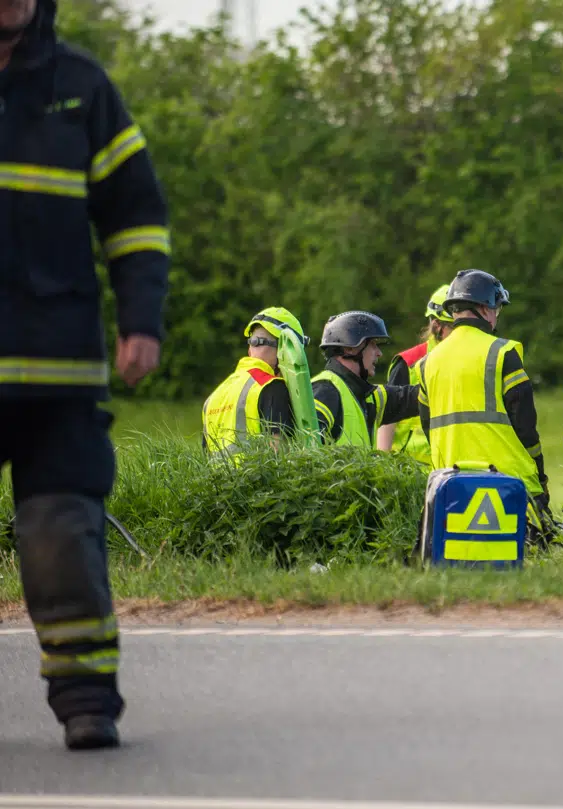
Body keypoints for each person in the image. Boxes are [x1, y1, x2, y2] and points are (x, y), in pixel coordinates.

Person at [0, 0, 170, 750]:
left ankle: (85, 698)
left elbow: (135, 213)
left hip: (57, 369)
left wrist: (141, 319)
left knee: (61, 533)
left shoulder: (81, 88)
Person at [418, 270, 552, 531]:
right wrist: (540, 477)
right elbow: (526, 426)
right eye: (497, 309)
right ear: (484, 308)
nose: (496, 317)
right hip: (509, 484)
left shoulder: (426, 364)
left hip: (449, 486)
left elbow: (427, 425)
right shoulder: (503, 353)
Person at [201, 308, 306, 453]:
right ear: (284, 349)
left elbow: (206, 458)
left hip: (216, 476)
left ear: (250, 349)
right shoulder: (272, 387)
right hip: (258, 476)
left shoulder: (213, 396)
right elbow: (279, 456)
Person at [311, 311, 421, 449]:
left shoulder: (365, 394)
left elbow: (413, 397)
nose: (379, 353)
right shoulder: (326, 390)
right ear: (350, 348)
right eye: (373, 344)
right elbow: (307, 448)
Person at [378, 284, 454, 464]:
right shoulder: (409, 362)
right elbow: (387, 416)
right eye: (455, 328)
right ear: (437, 326)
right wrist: (381, 464)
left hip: (452, 469)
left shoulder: (468, 360)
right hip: (409, 470)